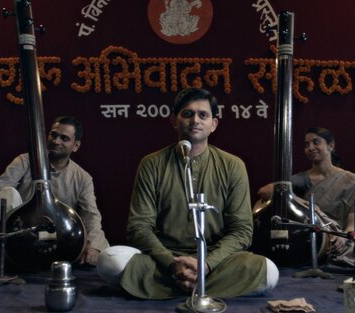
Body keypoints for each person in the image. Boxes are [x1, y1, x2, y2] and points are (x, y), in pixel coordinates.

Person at [97, 87, 278, 299]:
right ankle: (195, 283)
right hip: (164, 258)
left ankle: (177, 284)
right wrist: (171, 263)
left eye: (203, 115)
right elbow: (139, 227)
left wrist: (206, 264)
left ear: (214, 124)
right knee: (109, 260)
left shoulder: (233, 166)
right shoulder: (152, 164)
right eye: (187, 114)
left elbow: (242, 230)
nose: (195, 120)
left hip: (215, 260)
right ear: (174, 120)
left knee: (269, 272)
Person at [0, 116, 109, 266]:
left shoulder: (82, 178)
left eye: (64, 138)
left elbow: (91, 215)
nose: (56, 141)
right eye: (54, 135)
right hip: (20, 235)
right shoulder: (25, 161)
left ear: (75, 146)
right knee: (8, 193)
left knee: (108, 254)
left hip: (58, 241)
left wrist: (94, 247)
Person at [258, 127, 355, 269]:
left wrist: (343, 237)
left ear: (331, 145)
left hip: (339, 236)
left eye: (316, 142)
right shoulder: (303, 179)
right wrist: (301, 202)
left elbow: (353, 224)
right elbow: (264, 191)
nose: (310, 148)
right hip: (311, 237)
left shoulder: (351, 180)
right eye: (306, 144)